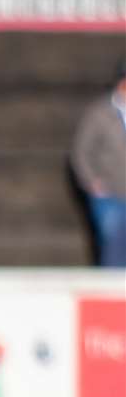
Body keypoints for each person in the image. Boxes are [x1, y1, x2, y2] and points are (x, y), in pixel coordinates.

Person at [71, 60, 126, 268]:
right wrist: (92, 182)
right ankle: (112, 296)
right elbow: (81, 150)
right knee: (113, 246)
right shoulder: (100, 113)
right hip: (110, 195)